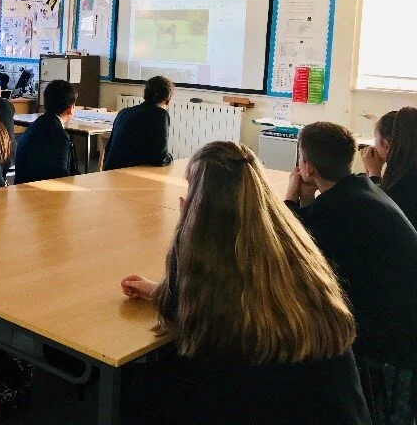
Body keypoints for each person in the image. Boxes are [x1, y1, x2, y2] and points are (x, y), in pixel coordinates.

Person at [121, 141, 370, 424]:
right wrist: (158, 290)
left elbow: (188, 314)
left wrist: (185, 230)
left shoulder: (204, 253)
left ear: (198, 203)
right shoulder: (294, 246)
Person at [287, 122, 417, 417]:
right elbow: (316, 232)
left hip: (393, 345)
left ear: (307, 166)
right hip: (403, 319)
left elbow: (294, 253)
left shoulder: (338, 208)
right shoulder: (361, 189)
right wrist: (307, 199)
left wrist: (290, 199)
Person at [14, 80, 79, 184]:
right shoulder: (60, 137)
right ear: (70, 109)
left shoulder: (35, 126)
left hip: (23, 191)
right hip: (42, 195)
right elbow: (62, 178)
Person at [362, 107, 417, 228]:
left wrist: (374, 173)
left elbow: (379, 214)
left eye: (375, 138)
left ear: (386, 145)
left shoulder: (402, 183)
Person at [103, 75, 173, 170]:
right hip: (130, 175)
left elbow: (108, 149)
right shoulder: (160, 114)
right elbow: (160, 158)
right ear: (167, 100)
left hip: (109, 174)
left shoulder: (123, 112)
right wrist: (170, 158)